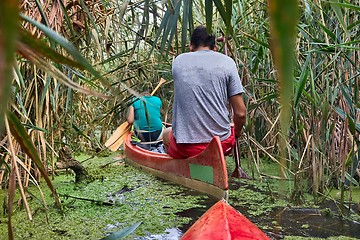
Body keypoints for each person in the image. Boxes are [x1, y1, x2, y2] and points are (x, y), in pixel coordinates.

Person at [163, 25, 247, 158]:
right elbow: (241, 114)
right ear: (215, 47)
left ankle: (180, 166)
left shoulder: (178, 62)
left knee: (165, 134)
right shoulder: (228, 63)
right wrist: (236, 133)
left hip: (186, 148)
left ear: (191, 46)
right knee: (231, 127)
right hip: (221, 145)